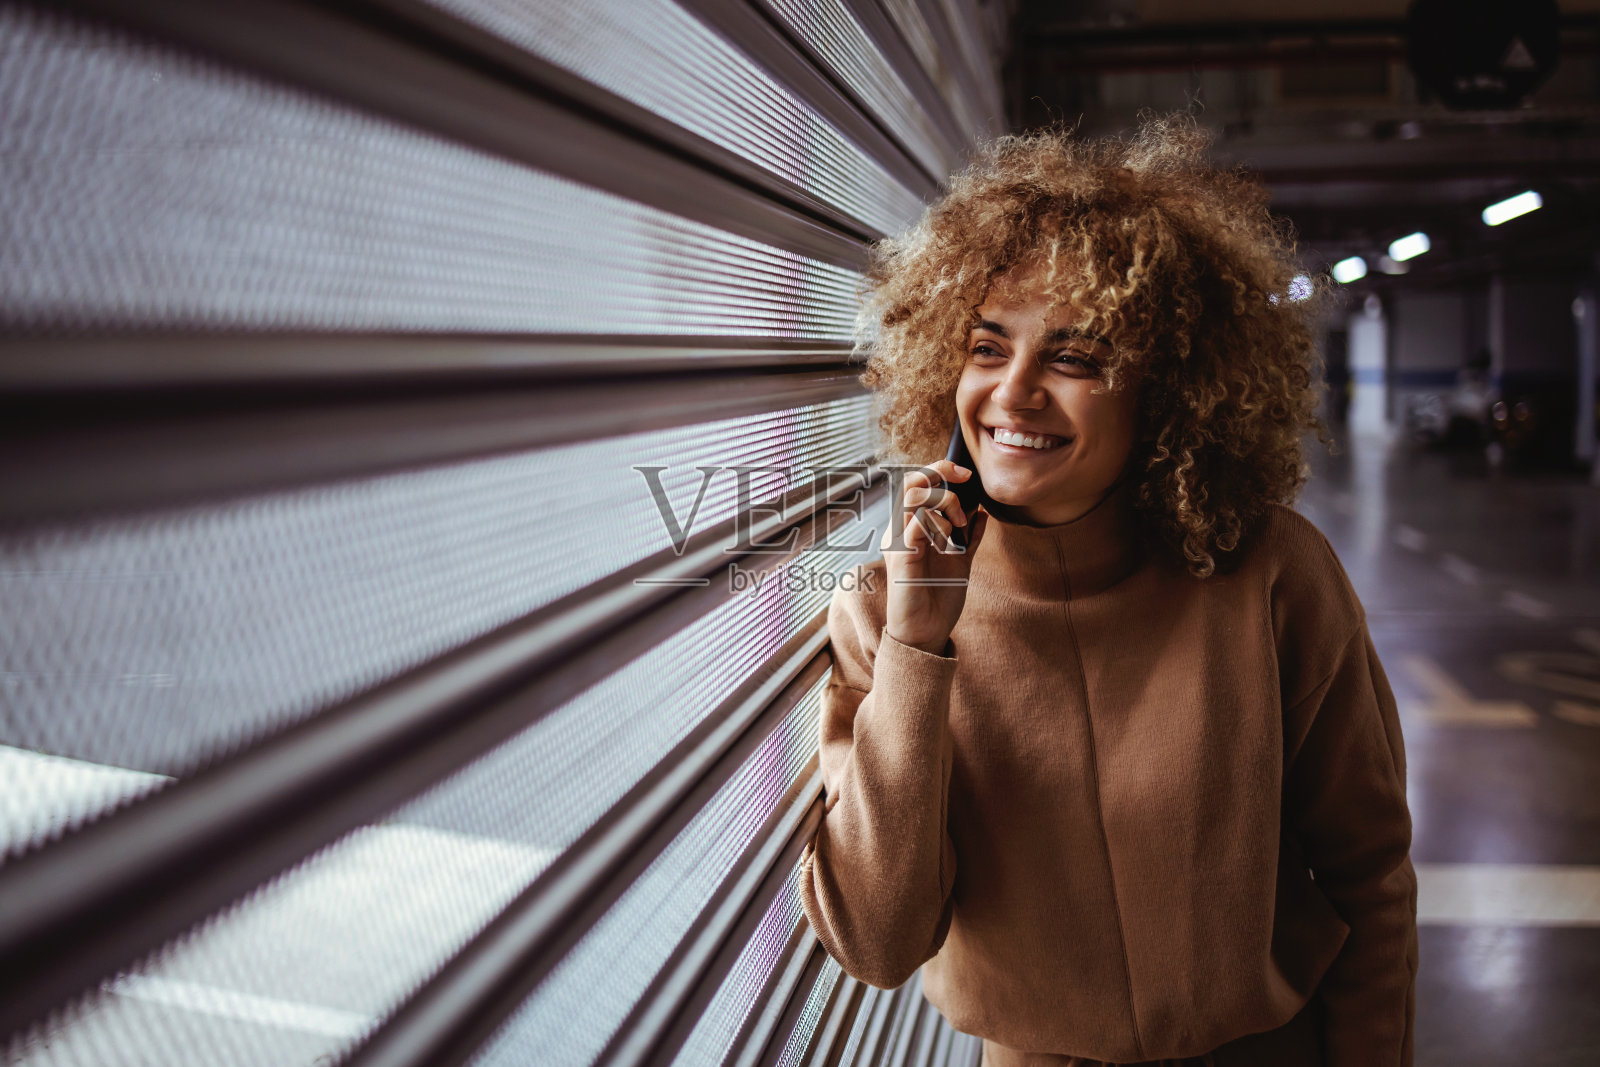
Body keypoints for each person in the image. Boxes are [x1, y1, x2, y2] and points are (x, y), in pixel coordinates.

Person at [796, 113, 1418, 1067]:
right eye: (987, 346)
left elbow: (1368, 877)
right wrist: (919, 646)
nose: (1013, 394)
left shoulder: (1271, 575)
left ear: (1163, 388)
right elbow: (877, 941)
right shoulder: (886, 609)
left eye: (1076, 357)